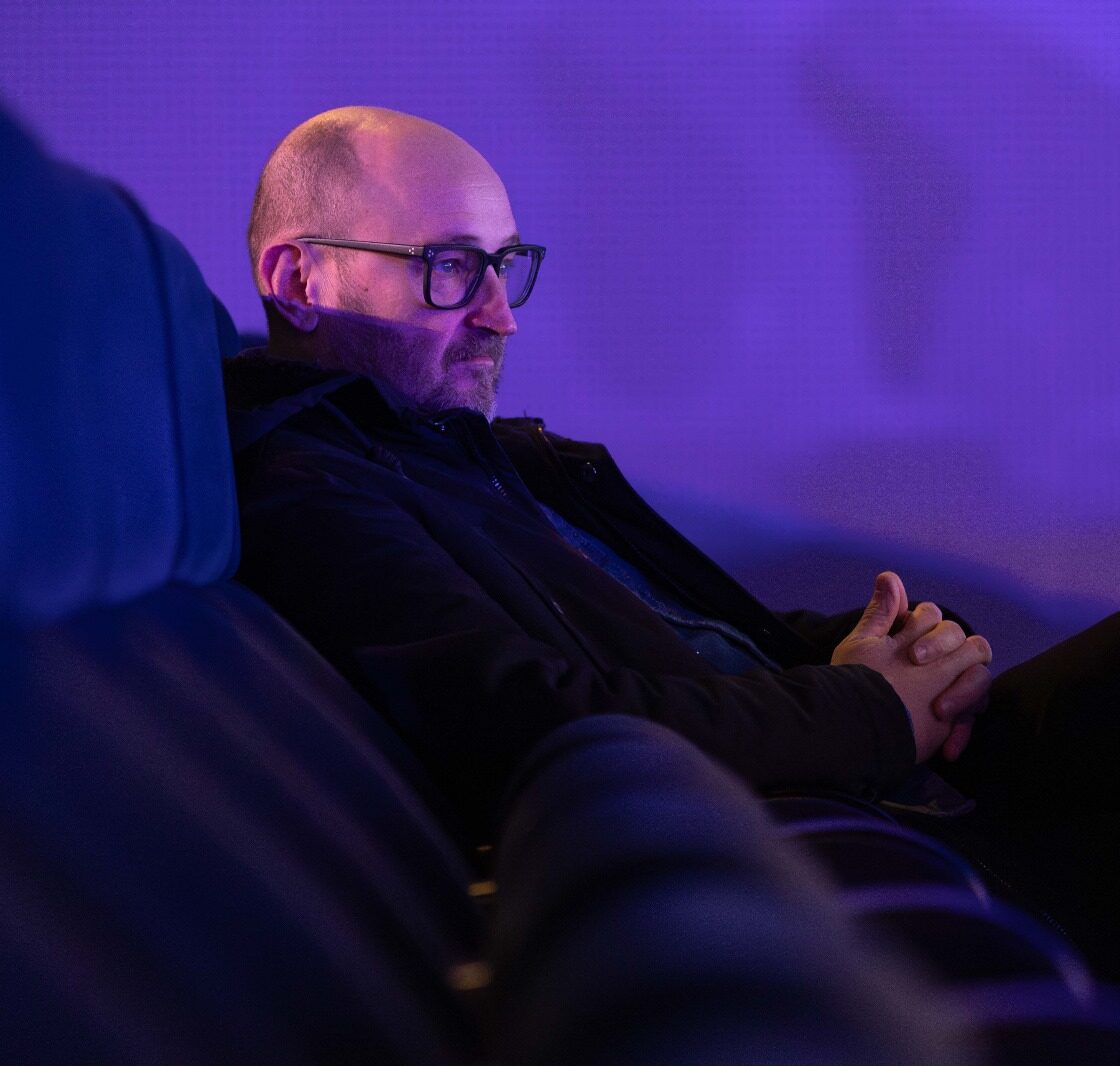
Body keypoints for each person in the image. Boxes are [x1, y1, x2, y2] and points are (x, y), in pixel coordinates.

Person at [226, 107, 1116, 974]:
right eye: (452, 266)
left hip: (859, 772)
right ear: (299, 280)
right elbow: (540, 724)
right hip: (837, 855)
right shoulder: (313, 489)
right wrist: (870, 710)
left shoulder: (479, 453)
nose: (501, 316)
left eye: (504, 266)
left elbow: (693, 635)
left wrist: (908, 652)